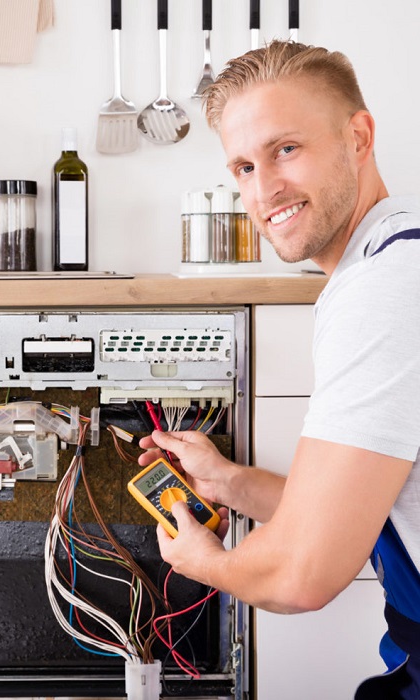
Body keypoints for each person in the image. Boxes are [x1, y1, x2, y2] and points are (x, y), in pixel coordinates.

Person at [138, 40, 420, 699]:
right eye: (242, 166)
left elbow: (302, 572)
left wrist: (203, 563)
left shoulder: (385, 291)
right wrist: (232, 484)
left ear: (359, 136)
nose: (263, 190)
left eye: (285, 150)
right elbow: (362, 507)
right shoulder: (391, 256)